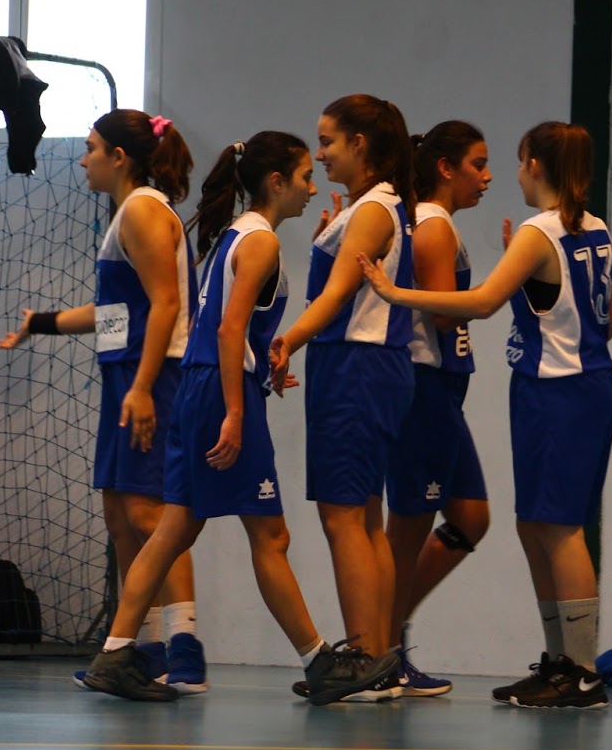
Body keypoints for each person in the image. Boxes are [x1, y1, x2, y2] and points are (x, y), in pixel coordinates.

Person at [79, 132, 387, 704]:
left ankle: (116, 652)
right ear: (276, 181)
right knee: (269, 534)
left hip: (205, 388)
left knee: (174, 530)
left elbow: (232, 331)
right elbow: (227, 330)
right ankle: (320, 663)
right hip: (220, 395)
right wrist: (237, 411)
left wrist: (262, 366)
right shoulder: (260, 240)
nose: (311, 187)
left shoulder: (237, 234)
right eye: (304, 177)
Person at [358, 120, 612, 709]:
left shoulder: (539, 231)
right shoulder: (596, 229)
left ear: (536, 165)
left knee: (560, 527)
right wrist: (532, 285)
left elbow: (478, 303)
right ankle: (558, 662)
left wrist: (395, 294)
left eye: (516, 161)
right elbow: (608, 320)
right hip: (585, 385)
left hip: (558, 388)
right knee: (533, 524)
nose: (504, 174)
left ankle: (582, 672)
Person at [0, 109, 210, 690]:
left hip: (154, 375)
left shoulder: (142, 208)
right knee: (120, 515)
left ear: (119, 156)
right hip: (128, 373)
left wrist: (142, 388)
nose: (83, 158)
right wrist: (41, 323)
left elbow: (166, 305)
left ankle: (185, 649)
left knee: (152, 514)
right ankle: (149, 649)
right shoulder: (129, 213)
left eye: (91, 147)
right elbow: (119, 312)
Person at [265, 94, 415, 696]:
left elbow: (338, 295)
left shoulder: (374, 210)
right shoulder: (371, 207)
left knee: (343, 517)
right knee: (366, 520)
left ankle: (364, 658)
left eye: (328, 141)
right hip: (366, 367)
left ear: (360, 143)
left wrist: (287, 340)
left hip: (357, 366)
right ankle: (377, 657)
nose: (320, 153)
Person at [381, 121, 495, 695]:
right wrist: (502, 287)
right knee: (406, 528)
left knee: (471, 517)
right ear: (446, 168)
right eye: (478, 163)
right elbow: (447, 313)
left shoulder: (439, 223)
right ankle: (381, 649)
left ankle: (391, 624)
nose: (487, 176)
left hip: (447, 390)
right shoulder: (431, 224)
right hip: (423, 387)